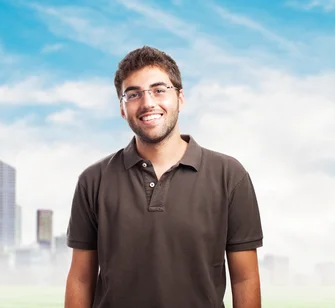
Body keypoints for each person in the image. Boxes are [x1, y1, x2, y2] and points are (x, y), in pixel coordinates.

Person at [63, 46, 264, 308]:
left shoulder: (230, 176)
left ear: (180, 98)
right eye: (133, 94)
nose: (148, 103)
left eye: (159, 90)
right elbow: (81, 279)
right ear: (123, 109)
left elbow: (245, 279)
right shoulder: (93, 180)